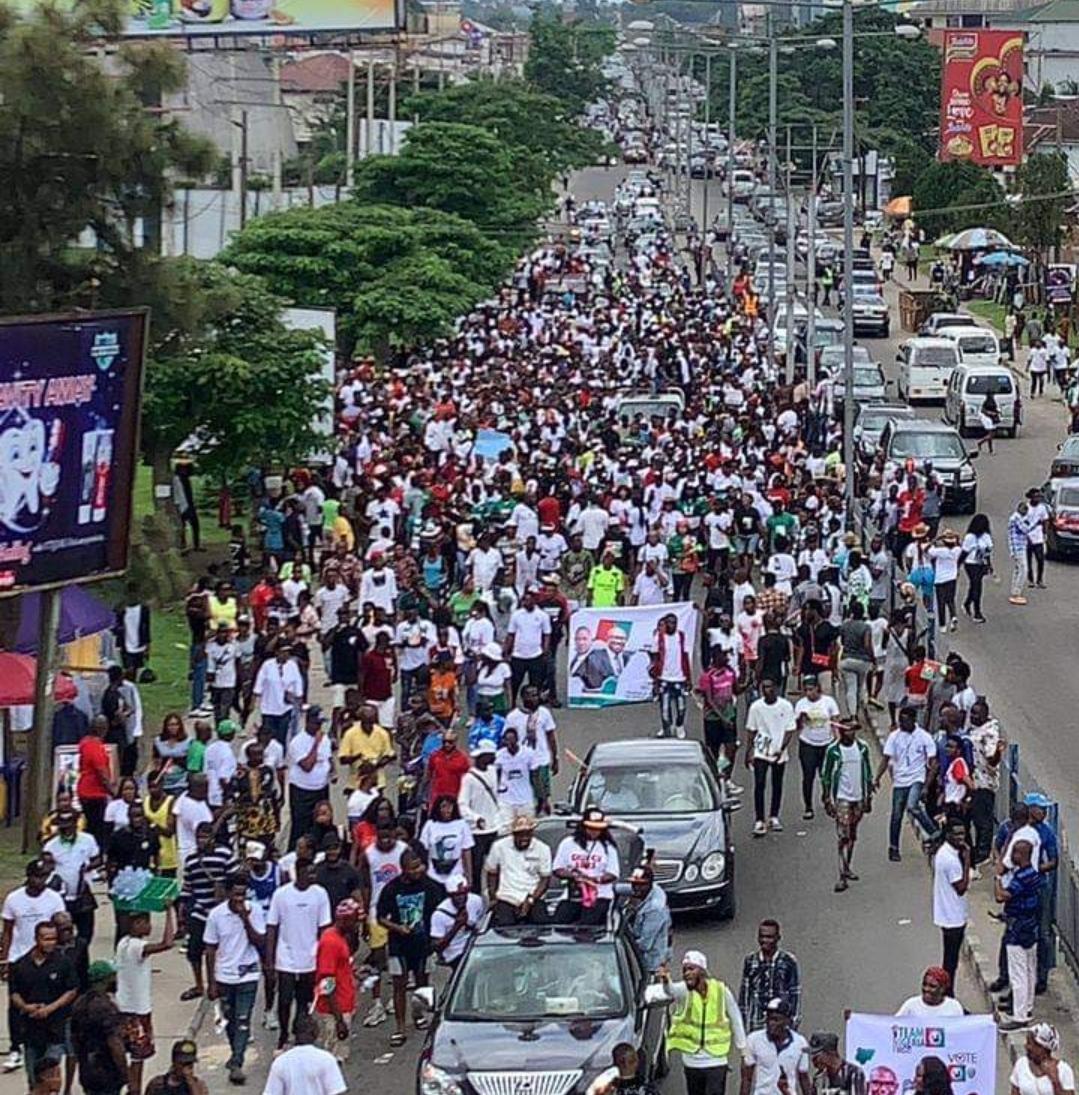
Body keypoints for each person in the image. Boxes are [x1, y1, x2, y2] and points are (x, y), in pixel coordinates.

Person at [0, 859, 66, 1074]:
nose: (41, 881)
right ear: (28, 877)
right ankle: (14, 1047)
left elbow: (61, 928)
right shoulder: (14, 899)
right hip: (20, 959)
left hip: (46, 958)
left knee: (45, 1001)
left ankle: (47, 1043)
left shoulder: (54, 898)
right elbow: (8, 931)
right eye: (37, 876)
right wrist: (4, 959)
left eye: (44, 876)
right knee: (16, 1003)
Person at [376, 850, 445, 1047]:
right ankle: (400, 1027)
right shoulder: (392, 888)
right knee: (399, 985)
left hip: (422, 944)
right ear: (403, 869)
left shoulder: (430, 886)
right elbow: (380, 917)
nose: (418, 870)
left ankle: (418, 1014)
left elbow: (439, 911)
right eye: (413, 867)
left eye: (420, 865)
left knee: (422, 982)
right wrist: (398, 928)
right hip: (399, 945)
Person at [204, 875, 266, 1085]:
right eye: (236, 893)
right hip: (224, 976)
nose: (240, 897)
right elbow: (210, 949)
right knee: (230, 1019)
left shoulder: (254, 910)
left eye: (243, 893)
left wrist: (245, 919)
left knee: (242, 1019)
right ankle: (235, 1052)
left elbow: (259, 941)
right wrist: (211, 982)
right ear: (229, 892)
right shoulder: (216, 915)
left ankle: (237, 1062)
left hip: (248, 974)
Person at [660, 949, 748, 1095]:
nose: (686, 973)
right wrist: (666, 980)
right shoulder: (684, 991)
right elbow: (671, 991)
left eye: (691, 969)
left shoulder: (721, 991)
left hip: (716, 1059)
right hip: (692, 1061)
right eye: (684, 970)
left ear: (702, 971)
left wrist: (744, 1050)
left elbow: (736, 1018)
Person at [266, 857, 332, 1050]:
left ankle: (300, 1033)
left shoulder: (320, 894)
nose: (313, 876)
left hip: (310, 958)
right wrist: (269, 960)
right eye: (309, 872)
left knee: (305, 1000)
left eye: (314, 872)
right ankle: (284, 1033)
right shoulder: (281, 895)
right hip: (285, 957)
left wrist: (322, 958)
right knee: (285, 999)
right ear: (298, 872)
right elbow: (272, 927)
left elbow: (324, 928)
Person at [9, 922, 78, 1090]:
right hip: (31, 1031)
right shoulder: (21, 965)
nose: (50, 943)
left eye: (53, 938)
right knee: (34, 1080)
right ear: (36, 939)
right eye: (46, 939)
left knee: (50, 1078)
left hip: (55, 1030)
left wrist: (51, 1008)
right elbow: (14, 993)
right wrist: (26, 1007)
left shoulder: (63, 963)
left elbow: (71, 990)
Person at [114, 909, 175, 1095]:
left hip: (122, 1005)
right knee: (138, 1056)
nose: (149, 927)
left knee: (125, 1052)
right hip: (138, 1009)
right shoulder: (137, 946)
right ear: (137, 924)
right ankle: (135, 1090)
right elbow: (168, 943)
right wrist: (169, 912)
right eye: (146, 922)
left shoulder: (122, 943)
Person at [877, 707, 939, 862]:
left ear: (913, 719)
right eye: (900, 720)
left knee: (912, 806)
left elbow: (933, 761)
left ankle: (935, 833)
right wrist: (877, 777)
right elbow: (886, 758)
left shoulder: (924, 737)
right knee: (896, 814)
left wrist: (926, 785)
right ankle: (893, 847)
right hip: (899, 781)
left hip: (917, 778)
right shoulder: (894, 737)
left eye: (905, 720)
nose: (902, 724)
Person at [995, 838, 1043, 1029]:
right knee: (1030, 970)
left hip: (1017, 929)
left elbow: (1001, 896)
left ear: (1021, 855)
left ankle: (1020, 1016)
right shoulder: (1033, 874)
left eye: (1014, 852)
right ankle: (1027, 1007)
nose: (1012, 856)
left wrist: (997, 878)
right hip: (1030, 926)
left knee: (1018, 974)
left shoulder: (1021, 877)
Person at [821, 720, 873, 893]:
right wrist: (827, 798)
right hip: (842, 798)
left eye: (853, 730)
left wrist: (868, 797)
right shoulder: (833, 751)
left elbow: (868, 772)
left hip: (858, 797)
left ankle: (847, 866)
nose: (851, 734)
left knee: (852, 834)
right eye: (848, 730)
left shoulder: (863, 748)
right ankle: (841, 875)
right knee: (843, 836)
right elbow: (826, 775)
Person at [745, 679, 796, 837]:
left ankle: (774, 816)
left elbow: (790, 729)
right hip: (761, 749)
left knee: (777, 783)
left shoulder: (785, 706)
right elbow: (751, 730)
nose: (767, 690)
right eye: (764, 687)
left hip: (778, 749)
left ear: (776, 688)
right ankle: (759, 819)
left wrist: (782, 748)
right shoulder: (756, 707)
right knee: (759, 784)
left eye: (770, 687)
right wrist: (749, 751)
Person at [552, 808, 620, 925]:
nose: (594, 831)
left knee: (588, 924)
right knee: (559, 923)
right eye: (591, 828)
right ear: (583, 826)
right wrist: (574, 876)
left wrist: (594, 880)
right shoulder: (568, 843)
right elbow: (558, 869)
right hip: (573, 895)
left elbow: (613, 874)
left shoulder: (608, 847)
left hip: (600, 896)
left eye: (598, 829)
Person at [313, 899, 361, 1062]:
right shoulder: (330, 942)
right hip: (334, 1011)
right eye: (355, 921)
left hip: (343, 1006)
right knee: (334, 1059)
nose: (357, 926)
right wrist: (339, 1019)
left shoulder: (338, 938)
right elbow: (327, 982)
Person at [70, 961, 127, 1095]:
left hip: (87, 1071)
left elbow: (73, 1038)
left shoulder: (79, 1003)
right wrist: (125, 1072)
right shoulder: (106, 1008)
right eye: (113, 976)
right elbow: (114, 1044)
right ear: (106, 979)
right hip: (107, 1072)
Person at [43, 810, 101, 943]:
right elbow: (46, 867)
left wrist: (87, 867)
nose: (66, 828)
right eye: (63, 825)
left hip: (83, 893)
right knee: (61, 935)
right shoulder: (51, 845)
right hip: (61, 897)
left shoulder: (88, 839)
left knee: (85, 935)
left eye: (69, 824)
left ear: (75, 823)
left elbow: (97, 859)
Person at [485, 816, 552, 926]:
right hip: (506, 897)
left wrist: (531, 900)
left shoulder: (543, 849)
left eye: (527, 834)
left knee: (542, 925)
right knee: (504, 926)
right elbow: (492, 872)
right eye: (520, 834)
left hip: (533, 896)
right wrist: (493, 896)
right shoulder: (499, 847)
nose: (524, 838)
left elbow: (545, 879)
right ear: (513, 834)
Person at [739, 920, 801, 1033]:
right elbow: (745, 994)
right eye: (762, 937)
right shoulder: (751, 960)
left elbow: (794, 993)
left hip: (781, 1024)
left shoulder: (788, 961)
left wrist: (793, 1022)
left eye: (769, 937)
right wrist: (742, 1023)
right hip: (757, 1022)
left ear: (778, 938)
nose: (764, 941)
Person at [739, 996, 811, 1095]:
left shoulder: (800, 1043)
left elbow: (804, 1078)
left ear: (787, 1021)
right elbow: (746, 1078)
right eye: (769, 1018)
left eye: (776, 1019)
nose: (771, 1023)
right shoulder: (753, 1040)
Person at [285, 711, 334, 850]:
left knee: (322, 824)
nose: (319, 727)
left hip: (321, 788)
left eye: (321, 724)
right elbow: (307, 766)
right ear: (308, 722)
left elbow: (328, 758)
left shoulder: (325, 739)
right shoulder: (297, 742)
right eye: (316, 724)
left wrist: (332, 771)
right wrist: (316, 744)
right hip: (303, 790)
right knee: (301, 826)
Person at [262, 1014, 346, 1095]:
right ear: (316, 1033)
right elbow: (336, 1091)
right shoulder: (327, 1059)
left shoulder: (280, 1062)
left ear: (294, 1033)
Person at [933, 821, 971, 995]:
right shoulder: (950, 860)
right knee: (950, 962)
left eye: (963, 834)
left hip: (948, 913)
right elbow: (961, 887)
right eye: (956, 834)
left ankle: (948, 994)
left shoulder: (946, 853)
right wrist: (968, 860)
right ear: (948, 835)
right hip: (952, 917)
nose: (961, 838)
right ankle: (947, 995)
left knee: (951, 960)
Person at [794, 676, 839, 821]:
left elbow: (835, 722)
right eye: (806, 690)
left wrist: (837, 741)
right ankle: (808, 806)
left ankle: (827, 798)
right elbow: (797, 727)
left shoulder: (829, 702)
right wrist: (801, 718)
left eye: (811, 689)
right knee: (808, 776)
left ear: (818, 689)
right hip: (808, 743)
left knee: (826, 775)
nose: (809, 693)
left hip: (826, 743)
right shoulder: (801, 704)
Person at [651, 613, 692, 739]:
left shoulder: (681, 636)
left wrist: (688, 677)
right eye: (669, 623)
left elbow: (686, 656)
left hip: (679, 677)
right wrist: (656, 678)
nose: (671, 625)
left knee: (681, 707)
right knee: (665, 708)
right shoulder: (659, 638)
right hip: (664, 677)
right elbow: (655, 657)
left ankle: (679, 725)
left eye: (674, 623)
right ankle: (666, 728)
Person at [625, 866, 672, 977]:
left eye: (641, 885)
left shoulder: (654, 908)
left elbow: (645, 944)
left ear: (650, 884)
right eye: (634, 884)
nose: (636, 888)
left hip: (652, 964)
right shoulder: (653, 890)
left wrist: (624, 946)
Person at [75, 718, 114, 849]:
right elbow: (101, 772)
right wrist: (113, 792)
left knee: (92, 826)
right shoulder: (95, 746)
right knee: (98, 829)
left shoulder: (85, 743)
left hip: (85, 790)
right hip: (94, 792)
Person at [430, 877, 484, 970]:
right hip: (454, 953)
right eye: (456, 895)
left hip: (475, 947)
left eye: (463, 894)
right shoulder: (439, 914)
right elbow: (436, 946)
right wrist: (457, 926)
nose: (461, 898)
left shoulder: (476, 901)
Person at [1010, 1025, 1075, 1095]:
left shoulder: (1064, 1070)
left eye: (1029, 1043)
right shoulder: (1021, 1064)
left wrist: (1055, 1080)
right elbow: (1014, 1092)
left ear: (1042, 1047)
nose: (1026, 1046)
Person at [143, 1039, 208, 1095]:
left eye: (189, 1064)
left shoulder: (198, 1085)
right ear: (174, 1062)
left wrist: (190, 1081)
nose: (185, 1068)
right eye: (182, 1064)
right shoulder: (157, 1084)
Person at [895, 966, 964, 1017]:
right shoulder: (910, 1005)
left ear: (942, 989)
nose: (926, 989)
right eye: (924, 984)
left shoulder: (954, 1007)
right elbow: (894, 1025)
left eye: (932, 986)